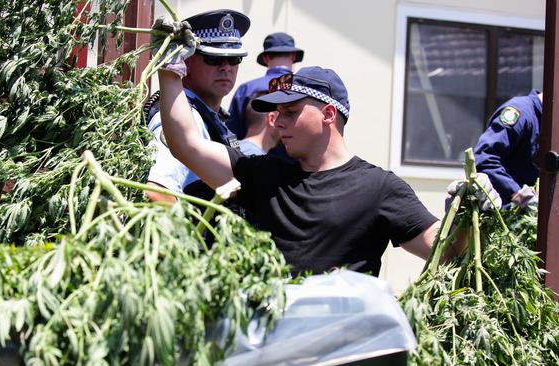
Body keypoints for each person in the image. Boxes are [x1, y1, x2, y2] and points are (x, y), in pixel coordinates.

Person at [151, 23, 500, 276]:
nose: (278, 122)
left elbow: (444, 252)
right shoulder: (263, 175)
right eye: (276, 113)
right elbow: (186, 143)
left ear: (328, 115)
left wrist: (471, 211)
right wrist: (170, 72)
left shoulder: (379, 189)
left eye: (290, 112)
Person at [145, 10, 249, 203]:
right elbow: (157, 192)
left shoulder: (211, 115)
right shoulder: (181, 118)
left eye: (234, 59)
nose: (226, 67)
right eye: (214, 59)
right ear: (187, 60)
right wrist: (186, 234)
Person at [227, 32, 304, 140]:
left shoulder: (246, 89)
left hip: (252, 155)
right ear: (293, 56)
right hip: (294, 156)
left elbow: (231, 133)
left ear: (266, 58)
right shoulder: (304, 89)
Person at [474, 90, 542, 208]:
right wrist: (518, 194)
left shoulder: (551, 123)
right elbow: (484, 158)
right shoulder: (520, 111)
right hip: (503, 215)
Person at [238, 91, 279, 156]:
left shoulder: (232, 149)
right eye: (283, 114)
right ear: (272, 119)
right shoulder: (257, 160)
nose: (285, 120)